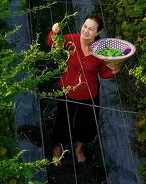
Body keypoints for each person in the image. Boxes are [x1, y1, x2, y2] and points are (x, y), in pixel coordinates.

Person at [46, 15, 121, 164]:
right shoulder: (71, 40)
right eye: (85, 26)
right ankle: (57, 148)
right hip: (68, 89)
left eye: (91, 29)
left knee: (87, 125)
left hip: (89, 93)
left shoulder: (101, 50)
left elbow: (103, 73)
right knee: (62, 122)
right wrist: (55, 31)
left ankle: (79, 149)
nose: (86, 31)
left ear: (97, 33)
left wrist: (114, 70)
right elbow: (51, 42)